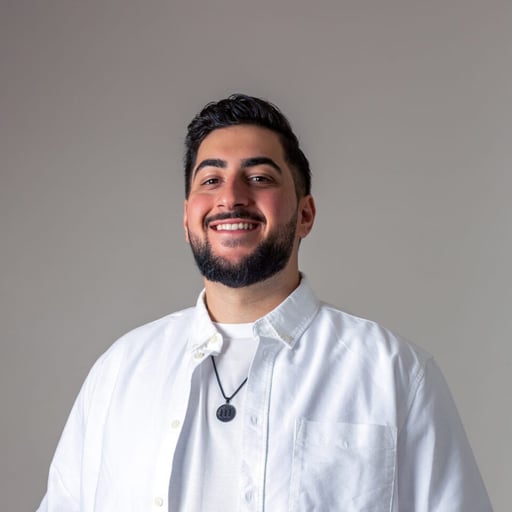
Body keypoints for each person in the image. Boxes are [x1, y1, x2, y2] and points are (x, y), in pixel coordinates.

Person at [37, 94, 492, 511]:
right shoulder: (119, 372)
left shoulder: (394, 374)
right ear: (187, 219)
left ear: (305, 215)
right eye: (211, 179)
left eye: (259, 178)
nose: (231, 197)